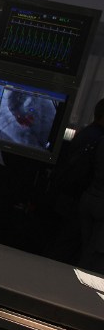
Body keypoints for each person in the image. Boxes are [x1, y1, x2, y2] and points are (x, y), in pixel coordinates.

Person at [76, 98, 104, 272]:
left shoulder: (98, 138)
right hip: (100, 205)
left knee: (86, 249)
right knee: (95, 257)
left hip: (91, 197)